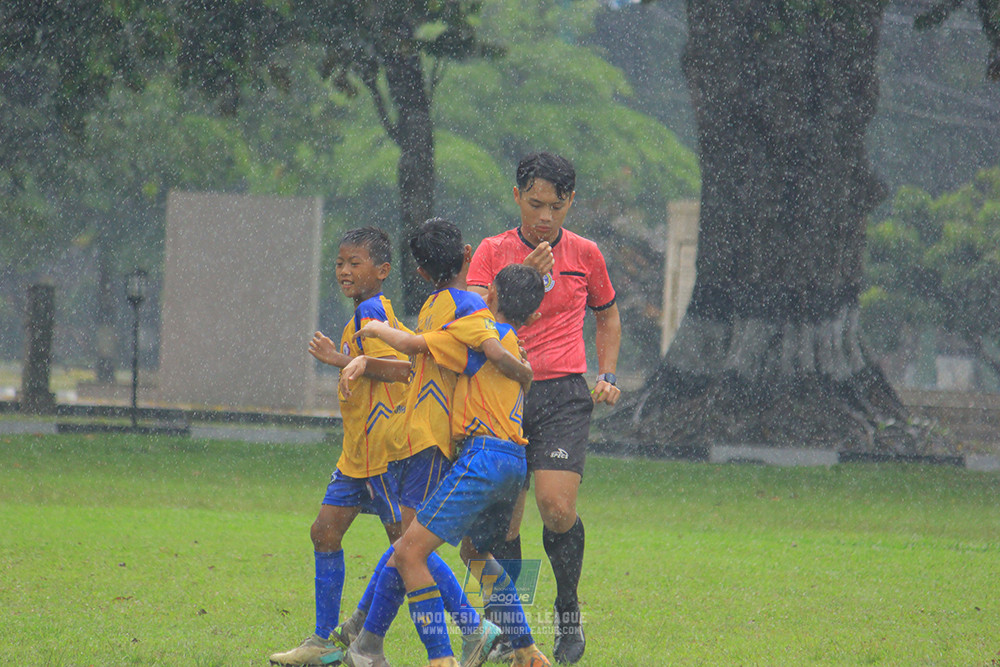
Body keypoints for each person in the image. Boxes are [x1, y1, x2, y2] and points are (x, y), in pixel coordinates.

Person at [337, 218, 533, 667]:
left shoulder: (450, 308)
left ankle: (455, 635)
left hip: (431, 439)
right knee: (420, 548)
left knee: (410, 549)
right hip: (433, 439)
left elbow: (453, 354)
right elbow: (443, 358)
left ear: (420, 272)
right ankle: (367, 640)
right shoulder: (462, 308)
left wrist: (369, 349)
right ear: (468, 255)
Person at [466, 152, 622, 664]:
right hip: (503, 393)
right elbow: (473, 322)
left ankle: (568, 609)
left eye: (556, 206)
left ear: (570, 202)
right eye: (535, 204)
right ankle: (514, 630)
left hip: (562, 395)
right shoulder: (491, 251)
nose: (545, 217)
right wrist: (517, 279)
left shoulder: (586, 254)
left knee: (556, 509)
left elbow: (607, 317)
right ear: (516, 198)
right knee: (504, 525)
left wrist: (607, 374)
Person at [268, 227, 408, 667]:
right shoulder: (360, 314)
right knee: (325, 531)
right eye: (340, 263)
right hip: (356, 454)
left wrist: (342, 360)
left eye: (355, 263)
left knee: (408, 547)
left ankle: (464, 627)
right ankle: (326, 642)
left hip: (385, 451)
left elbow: (402, 368)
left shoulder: (373, 312)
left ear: (382, 271)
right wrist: (344, 360)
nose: (344, 271)